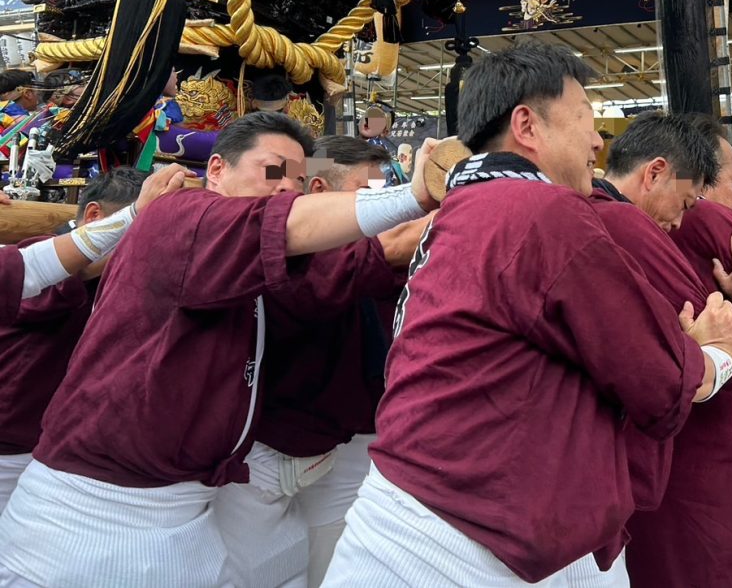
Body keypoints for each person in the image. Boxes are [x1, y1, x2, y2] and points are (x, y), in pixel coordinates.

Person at [322, 45, 732, 587]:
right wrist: (720, 353)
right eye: (587, 123)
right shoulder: (544, 212)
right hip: (457, 547)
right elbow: (659, 380)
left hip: (409, 512)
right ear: (526, 125)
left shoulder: (466, 206)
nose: (598, 142)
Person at [0, 111, 440, 587]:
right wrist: (412, 194)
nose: (284, 187)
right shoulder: (182, 216)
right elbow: (292, 224)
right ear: (215, 170)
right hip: (90, 518)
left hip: (185, 511)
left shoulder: (257, 258)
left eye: (295, 178)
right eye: (272, 170)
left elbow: (360, 259)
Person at [590, 112, 732, 587]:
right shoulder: (623, 223)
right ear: (655, 172)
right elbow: (726, 352)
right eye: (689, 199)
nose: (688, 217)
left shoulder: (599, 216)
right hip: (678, 479)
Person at [213, 136, 425, 588]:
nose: (383, 206)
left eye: (386, 192)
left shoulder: (366, 244)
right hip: (261, 452)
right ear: (317, 193)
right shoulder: (281, 253)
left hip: (349, 442)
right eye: (369, 195)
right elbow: (390, 242)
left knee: (336, 567)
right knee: (246, 573)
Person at [0, 168, 149, 510]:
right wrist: (135, 223)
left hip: (56, 446)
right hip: (9, 446)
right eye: (139, 229)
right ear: (95, 215)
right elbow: (68, 273)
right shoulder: (39, 256)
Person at [0, 164, 187, 323]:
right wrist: (135, 215)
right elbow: (72, 271)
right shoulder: (45, 253)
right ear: (94, 215)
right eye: (142, 228)